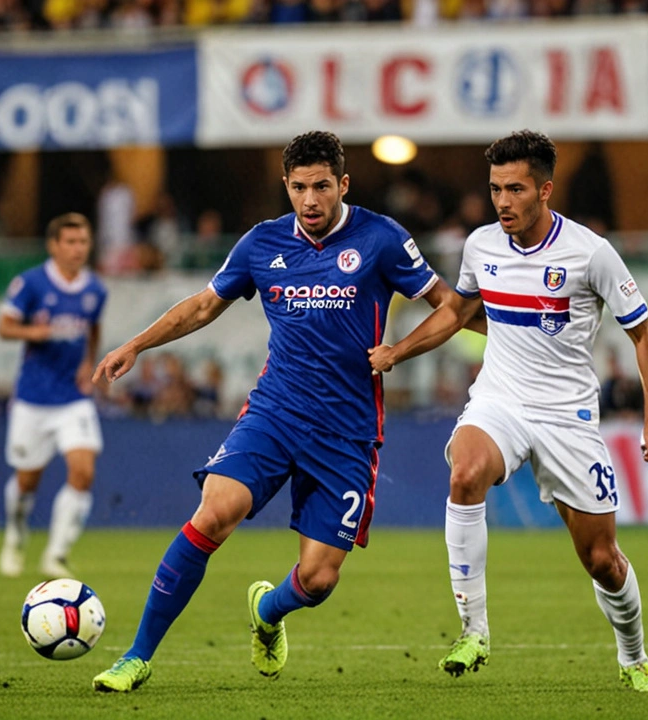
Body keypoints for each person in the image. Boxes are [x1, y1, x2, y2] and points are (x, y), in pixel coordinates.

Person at [89, 131, 464, 693]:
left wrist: (400, 350)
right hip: (276, 413)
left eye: (320, 187)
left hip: (347, 430)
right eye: (298, 188)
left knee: (317, 579)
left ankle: (268, 612)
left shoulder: (382, 238)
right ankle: (136, 656)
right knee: (214, 512)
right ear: (285, 187)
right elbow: (201, 307)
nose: (309, 200)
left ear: (343, 184)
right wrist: (136, 345)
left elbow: (451, 307)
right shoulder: (261, 244)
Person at [368, 130, 648, 693]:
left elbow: (645, 338)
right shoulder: (482, 246)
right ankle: (474, 630)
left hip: (567, 417)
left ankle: (633, 656)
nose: (503, 202)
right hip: (500, 400)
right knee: (464, 473)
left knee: (602, 559)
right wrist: (397, 351)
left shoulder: (590, 253)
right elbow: (458, 311)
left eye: (515, 189)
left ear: (545, 190)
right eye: (494, 189)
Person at [0, 213, 108, 579]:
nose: (78, 249)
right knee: (27, 481)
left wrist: (87, 363)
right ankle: (15, 534)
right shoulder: (30, 283)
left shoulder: (95, 290)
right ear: (54, 246)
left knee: (83, 470)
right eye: (71, 242)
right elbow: (5, 326)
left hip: (72, 398)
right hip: (32, 398)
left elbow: (93, 327)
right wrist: (37, 333)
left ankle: (56, 554)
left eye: (83, 242)